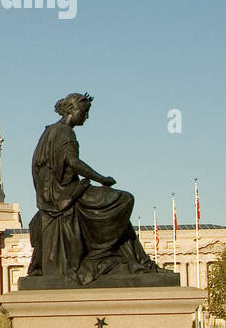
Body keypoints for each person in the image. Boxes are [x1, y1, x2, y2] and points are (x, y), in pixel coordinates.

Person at [26, 93, 162, 283]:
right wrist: (102, 179)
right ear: (72, 110)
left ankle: (135, 261)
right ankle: (109, 255)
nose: (86, 116)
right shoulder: (65, 133)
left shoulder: (49, 132)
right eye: (85, 111)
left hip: (56, 194)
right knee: (124, 200)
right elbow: (73, 162)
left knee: (116, 211)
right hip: (65, 196)